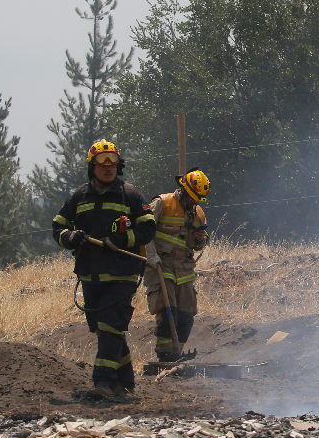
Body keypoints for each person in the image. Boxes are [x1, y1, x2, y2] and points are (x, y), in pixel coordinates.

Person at [52, 140, 156, 397]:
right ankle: (126, 381)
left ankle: (104, 383)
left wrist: (122, 240)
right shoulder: (79, 197)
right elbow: (58, 227)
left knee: (110, 325)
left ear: (119, 165)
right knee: (103, 328)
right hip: (91, 274)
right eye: (102, 162)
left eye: (113, 162)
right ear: (92, 165)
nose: (109, 167)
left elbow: (148, 227)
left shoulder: (130, 195)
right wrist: (70, 237)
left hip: (123, 274)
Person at [143, 169, 210, 362]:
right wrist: (151, 256)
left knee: (187, 314)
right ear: (183, 190)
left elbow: (198, 246)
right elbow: (144, 230)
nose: (194, 203)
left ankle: (177, 352)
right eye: (192, 198)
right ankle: (165, 354)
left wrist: (199, 238)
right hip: (161, 265)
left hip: (185, 269)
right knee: (167, 310)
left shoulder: (198, 213)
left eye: (198, 199)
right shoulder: (162, 203)